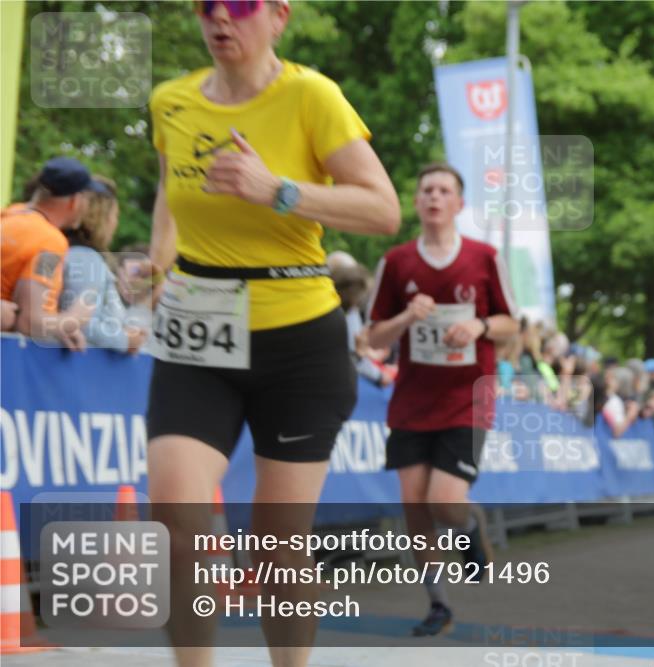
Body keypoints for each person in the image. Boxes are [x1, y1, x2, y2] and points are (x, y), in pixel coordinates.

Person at [144, 1, 400, 665]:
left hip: (299, 341)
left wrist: (279, 190)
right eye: (207, 6)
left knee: (277, 548)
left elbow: (383, 209)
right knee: (176, 520)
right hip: (198, 328)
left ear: (279, 16)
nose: (220, 18)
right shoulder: (171, 101)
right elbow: (171, 193)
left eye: (240, 5)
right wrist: (155, 266)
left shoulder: (313, 96)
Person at [366, 162, 517, 637]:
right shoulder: (396, 262)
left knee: (444, 503)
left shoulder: (484, 257)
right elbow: (372, 338)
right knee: (415, 507)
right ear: (416, 202)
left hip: (468, 398)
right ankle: (439, 605)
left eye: (444, 190)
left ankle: (467, 525)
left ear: (459, 203)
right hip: (413, 400)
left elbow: (512, 323)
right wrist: (406, 318)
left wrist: (479, 325)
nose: (434, 196)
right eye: (427, 189)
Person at [1, 156, 100, 348]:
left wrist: (57, 330)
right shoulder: (50, 244)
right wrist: (74, 318)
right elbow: (29, 322)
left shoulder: (8, 215)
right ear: (75, 201)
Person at [58, 176, 148, 353]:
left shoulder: (74, 253)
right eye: (115, 215)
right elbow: (81, 325)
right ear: (102, 217)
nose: (115, 223)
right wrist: (126, 340)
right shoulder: (85, 259)